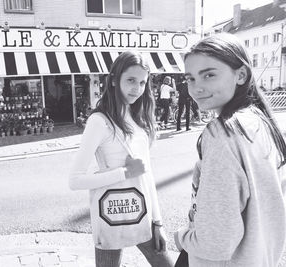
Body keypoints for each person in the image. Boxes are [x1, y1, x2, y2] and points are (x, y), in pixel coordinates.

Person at [174, 33, 286, 267]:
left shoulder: (222, 134)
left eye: (209, 75)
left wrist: (182, 237)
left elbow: (216, 242)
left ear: (241, 74)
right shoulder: (262, 123)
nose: (197, 88)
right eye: (190, 78)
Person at [68, 51, 173, 267]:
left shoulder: (139, 118)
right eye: (131, 80)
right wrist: (124, 173)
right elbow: (75, 180)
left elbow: (147, 175)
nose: (137, 88)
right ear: (114, 80)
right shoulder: (99, 121)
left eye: (143, 82)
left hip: (142, 208)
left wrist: (157, 222)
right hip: (112, 211)